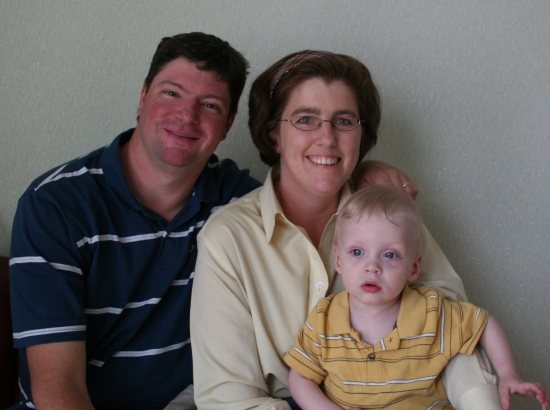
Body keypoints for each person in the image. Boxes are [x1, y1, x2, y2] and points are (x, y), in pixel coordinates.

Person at [8, 33, 412, 410]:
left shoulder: (236, 203)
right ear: (143, 96)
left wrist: (362, 173)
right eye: (171, 93)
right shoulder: (57, 205)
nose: (186, 116)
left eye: (210, 105)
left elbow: (308, 181)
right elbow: (57, 386)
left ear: (228, 124)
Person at [190, 50, 503, 410]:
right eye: (306, 119)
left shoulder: (390, 215)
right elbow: (228, 400)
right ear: (274, 133)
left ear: (361, 134)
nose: (327, 137)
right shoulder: (228, 239)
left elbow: (456, 334)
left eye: (343, 121)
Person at [284, 185, 549, 410]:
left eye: (390, 255)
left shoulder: (431, 312)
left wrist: (508, 374)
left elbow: (484, 324)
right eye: (357, 252)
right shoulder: (325, 318)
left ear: (413, 267)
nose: (372, 267)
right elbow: (300, 378)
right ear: (339, 260)